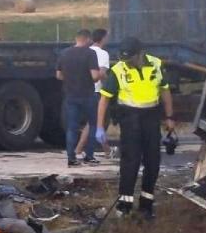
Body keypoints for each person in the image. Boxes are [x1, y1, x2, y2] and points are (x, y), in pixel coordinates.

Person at [97, 37, 175, 219]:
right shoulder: (118, 70)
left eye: (130, 59)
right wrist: (100, 127)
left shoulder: (155, 64)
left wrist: (170, 118)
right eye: (125, 59)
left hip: (151, 118)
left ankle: (146, 205)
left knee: (153, 161)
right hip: (130, 119)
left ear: (141, 53)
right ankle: (124, 205)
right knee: (130, 162)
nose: (127, 62)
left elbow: (165, 90)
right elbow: (104, 99)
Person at [56, 29, 101, 167]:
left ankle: (71, 158)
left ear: (76, 38)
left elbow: (58, 75)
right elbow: (94, 76)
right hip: (87, 94)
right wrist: (100, 75)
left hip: (70, 95)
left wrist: (70, 79)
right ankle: (89, 155)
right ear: (87, 39)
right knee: (93, 125)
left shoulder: (64, 54)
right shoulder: (90, 53)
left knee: (72, 127)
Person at [76, 28, 112, 158]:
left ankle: (106, 149)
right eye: (107, 37)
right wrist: (110, 84)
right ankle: (79, 149)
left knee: (94, 122)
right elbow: (102, 73)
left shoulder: (86, 51)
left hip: (83, 89)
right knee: (95, 122)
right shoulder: (103, 54)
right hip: (97, 90)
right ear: (102, 38)